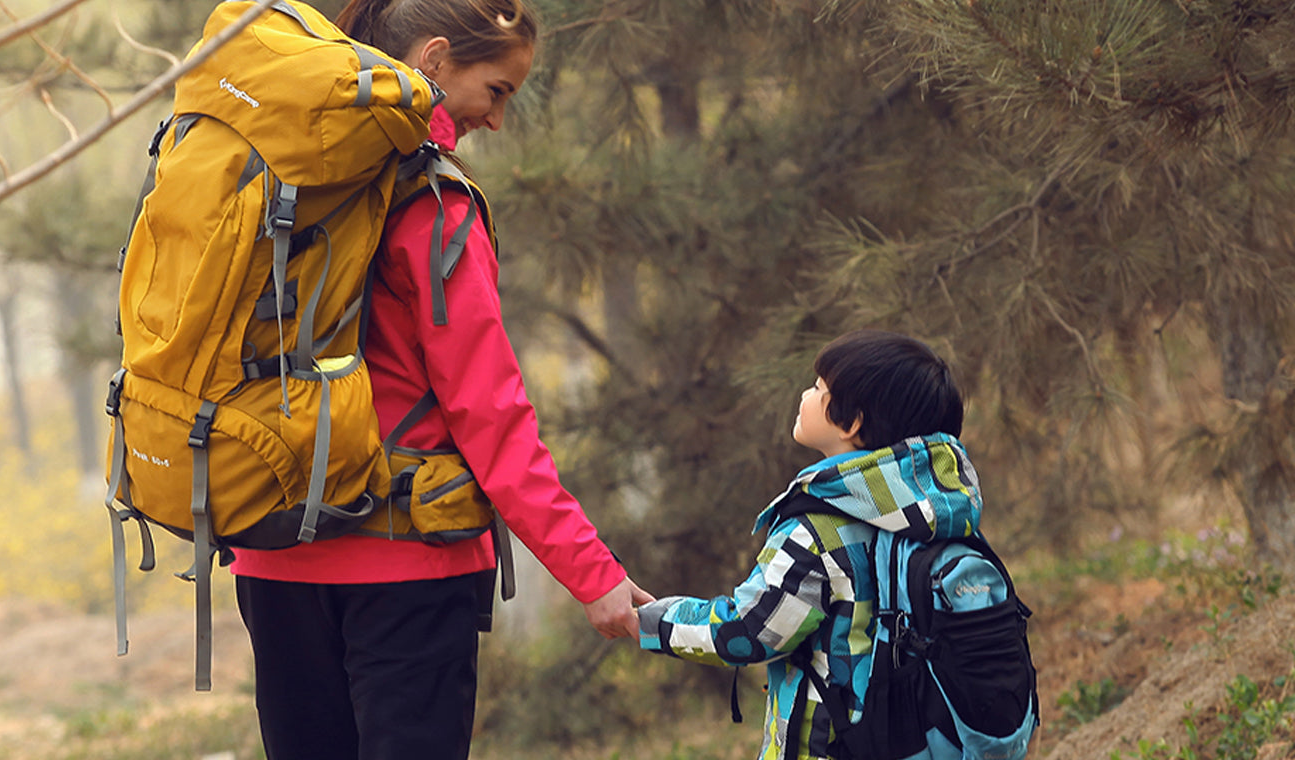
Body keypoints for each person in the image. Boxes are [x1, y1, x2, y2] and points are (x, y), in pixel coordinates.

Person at [228, 1, 653, 758]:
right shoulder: (432, 205)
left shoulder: (267, 183)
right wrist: (594, 576)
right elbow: (493, 418)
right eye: (498, 90)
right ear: (433, 61)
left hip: (273, 552)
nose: (496, 119)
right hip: (408, 564)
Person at [636, 329, 985, 760]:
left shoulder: (818, 534)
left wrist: (647, 622)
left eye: (818, 388)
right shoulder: (941, 516)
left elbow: (747, 632)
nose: (805, 394)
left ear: (852, 421)